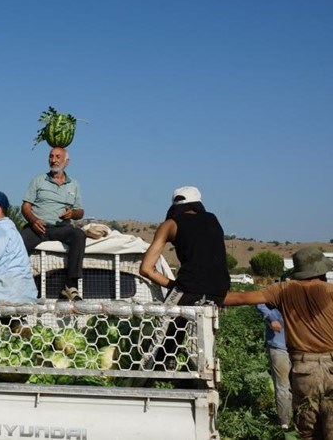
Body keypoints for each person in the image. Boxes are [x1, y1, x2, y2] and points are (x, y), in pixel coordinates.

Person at [224, 247, 333, 440]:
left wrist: (198, 289)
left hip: (304, 370)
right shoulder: (330, 291)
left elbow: (240, 298)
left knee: (307, 432)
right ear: (322, 271)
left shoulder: (282, 290)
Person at [139, 186, 230, 306]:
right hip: (220, 291)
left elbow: (146, 269)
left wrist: (174, 286)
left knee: (167, 323)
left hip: (187, 289)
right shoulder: (213, 219)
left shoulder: (169, 225)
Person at [20, 146, 86, 301]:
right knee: (18, 242)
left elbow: (80, 212)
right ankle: (18, 283)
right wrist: (33, 220)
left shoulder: (74, 184)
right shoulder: (38, 180)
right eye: (51, 156)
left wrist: (72, 214)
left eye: (57, 157)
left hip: (61, 228)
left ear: (66, 161)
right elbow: (25, 207)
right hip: (39, 227)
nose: (53, 160)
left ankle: (70, 285)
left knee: (79, 235)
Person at [257, 303, 293, 431]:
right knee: (283, 385)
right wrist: (272, 318)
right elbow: (261, 303)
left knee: (301, 384)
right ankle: (285, 423)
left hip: (302, 347)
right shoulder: (278, 290)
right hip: (279, 346)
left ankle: (301, 419)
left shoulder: (311, 293)